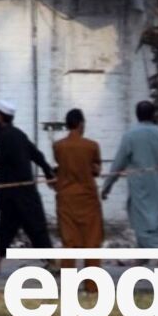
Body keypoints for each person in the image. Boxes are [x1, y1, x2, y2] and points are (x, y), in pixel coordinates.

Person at [0, 100, 55, 275]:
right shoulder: (19, 135)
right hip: (19, 193)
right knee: (8, 229)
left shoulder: (5, 137)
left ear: (0, 117)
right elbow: (37, 155)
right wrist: (47, 172)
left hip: (16, 193)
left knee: (33, 227)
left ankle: (53, 262)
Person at [102, 100, 158, 269]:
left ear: (137, 115)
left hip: (140, 189)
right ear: (153, 115)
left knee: (144, 227)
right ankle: (142, 258)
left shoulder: (130, 136)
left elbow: (118, 165)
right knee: (152, 225)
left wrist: (107, 186)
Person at [52, 108, 103, 268]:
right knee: (92, 241)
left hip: (66, 198)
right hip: (87, 199)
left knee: (69, 242)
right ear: (81, 124)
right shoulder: (92, 146)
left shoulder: (58, 146)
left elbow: (60, 167)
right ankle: (92, 281)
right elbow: (96, 170)